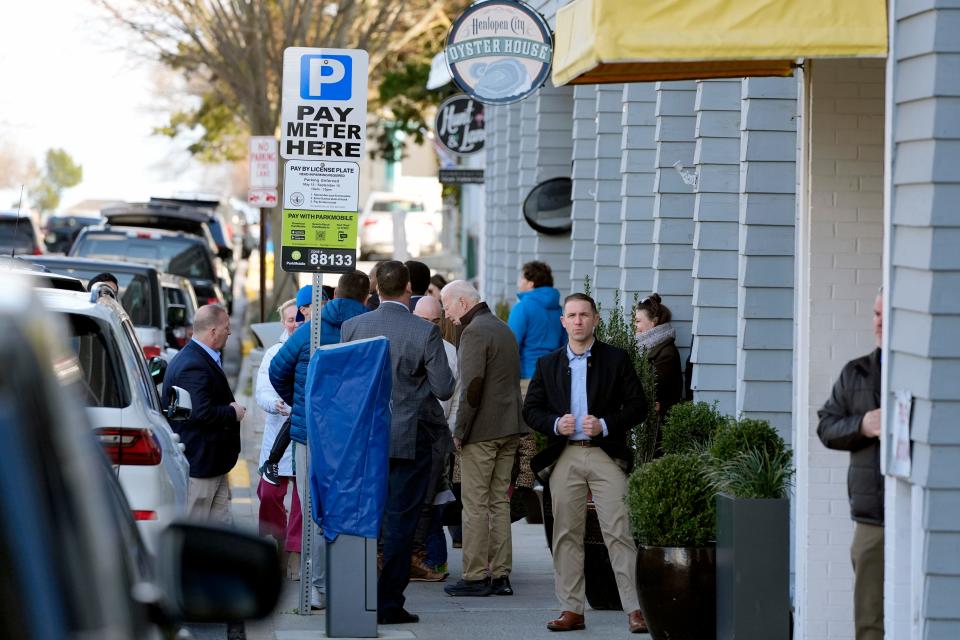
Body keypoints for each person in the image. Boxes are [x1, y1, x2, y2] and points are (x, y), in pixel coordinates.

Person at [522, 293, 648, 634]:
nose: (578, 321)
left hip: (605, 453)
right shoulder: (547, 364)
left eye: (583, 315)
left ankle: (636, 609)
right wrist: (553, 423)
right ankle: (571, 609)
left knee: (619, 530)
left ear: (595, 320)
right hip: (566, 454)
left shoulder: (616, 359)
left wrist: (605, 423)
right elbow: (530, 410)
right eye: (572, 315)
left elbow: (639, 405)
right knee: (566, 533)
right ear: (563, 322)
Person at [340, 260, 455, 625]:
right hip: (409, 440)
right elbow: (445, 387)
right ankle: (389, 602)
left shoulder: (353, 327)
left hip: (363, 441)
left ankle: (356, 599)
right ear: (408, 289)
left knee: (363, 519)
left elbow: (345, 383)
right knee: (402, 522)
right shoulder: (424, 332)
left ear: (375, 288)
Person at [440, 280, 527, 598]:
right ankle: (501, 576)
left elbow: (472, 388)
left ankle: (476, 576)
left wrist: (459, 431)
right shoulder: (503, 328)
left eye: (448, 307)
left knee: (474, 506)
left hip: (483, 433)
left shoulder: (474, 331)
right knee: (498, 504)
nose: (447, 315)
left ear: (463, 303)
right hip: (509, 429)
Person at [817, 291, 883, 640]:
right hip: (873, 517)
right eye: (875, 314)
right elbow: (826, 427)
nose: (880, 322)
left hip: (928, 516)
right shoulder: (856, 372)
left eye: (887, 315)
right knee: (870, 622)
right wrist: (862, 426)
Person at [162, 304, 244, 524]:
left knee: (219, 534)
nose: (229, 332)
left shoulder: (199, 357)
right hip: (200, 466)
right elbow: (201, 413)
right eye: (226, 327)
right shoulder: (193, 365)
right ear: (213, 332)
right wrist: (232, 412)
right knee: (196, 538)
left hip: (213, 464)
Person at [410, 295, 460, 580]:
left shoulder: (449, 351)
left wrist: (450, 432)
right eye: (423, 321)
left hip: (437, 435)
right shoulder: (405, 343)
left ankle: (430, 558)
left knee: (433, 501)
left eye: (434, 322)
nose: (429, 327)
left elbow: (455, 397)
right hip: (408, 433)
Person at [254, 298, 302, 577]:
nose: (295, 323)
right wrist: (276, 405)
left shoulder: (316, 347)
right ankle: (278, 540)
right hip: (278, 434)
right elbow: (263, 391)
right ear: (283, 322)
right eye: (289, 319)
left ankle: (295, 554)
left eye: (299, 317)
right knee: (269, 493)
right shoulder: (274, 352)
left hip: (303, 433)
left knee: (300, 502)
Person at [508, 261, 565, 382]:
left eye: (522, 277)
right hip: (554, 374)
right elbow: (564, 343)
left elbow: (511, 344)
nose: (518, 281)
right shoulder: (558, 309)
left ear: (530, 284)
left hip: (528, 375)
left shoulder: (522, 307)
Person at [634, 293, 683, 424]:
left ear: (654, 322)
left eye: (638, 321)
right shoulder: (645, 347)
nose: (634, 325)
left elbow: (649, 387)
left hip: (657, 424)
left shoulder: (666, 353)